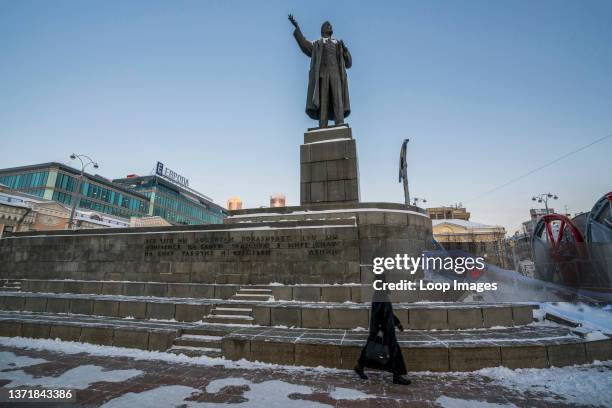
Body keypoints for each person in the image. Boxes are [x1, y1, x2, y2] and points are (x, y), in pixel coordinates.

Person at [288, 14, 352, 128]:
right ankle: (323, 126)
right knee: (323, 102)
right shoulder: (317, 44)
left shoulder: (338, 44)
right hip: (322, 76)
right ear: (322, 30)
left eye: (330, 25)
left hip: (336, 75)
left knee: (338, 99)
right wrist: (297, 27)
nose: (330, 26)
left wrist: (345, 51)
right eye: (327, 25)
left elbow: (348, 64)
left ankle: (340, 124)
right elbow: (304, 45)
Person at [354, 284, 411, 385]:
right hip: (383, 330)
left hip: (385, 329)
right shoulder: (380, 295)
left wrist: (397, 323)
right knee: (389, 350)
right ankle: (396, 376)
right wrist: (380, 329)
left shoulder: (382, 295)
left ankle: (359, 367)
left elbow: (388, 312)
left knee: (373, 348)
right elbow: (377, 314)